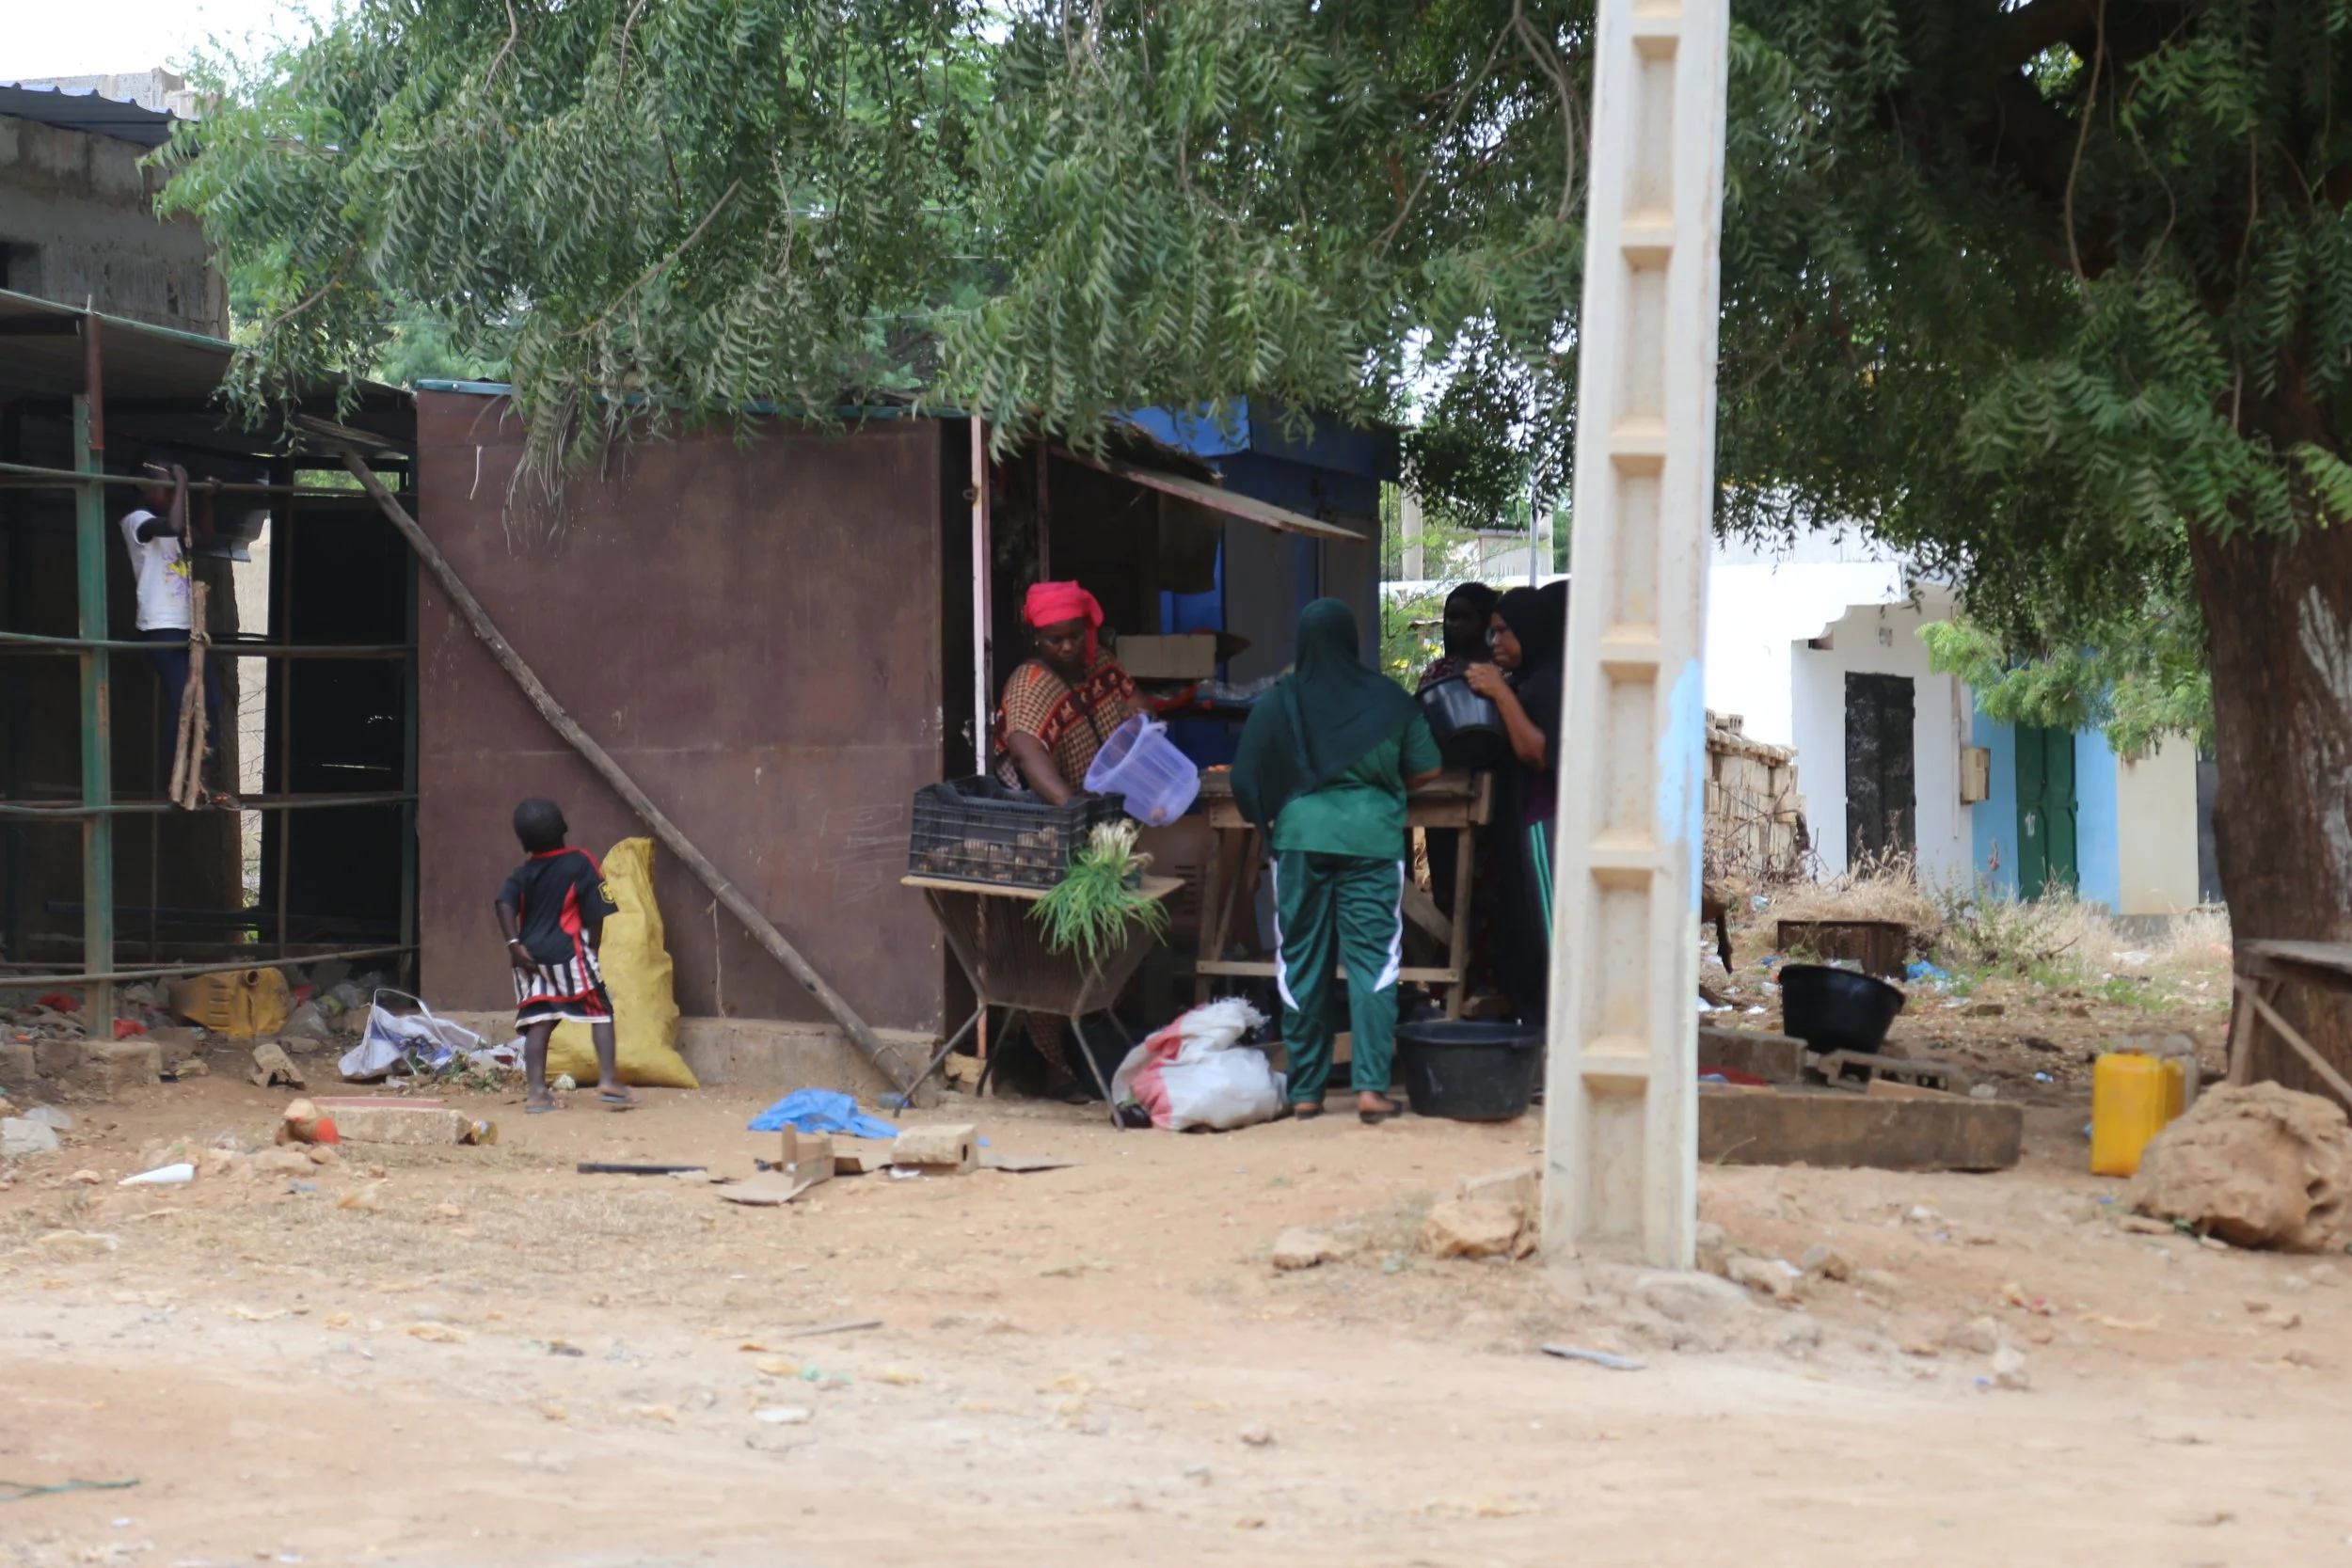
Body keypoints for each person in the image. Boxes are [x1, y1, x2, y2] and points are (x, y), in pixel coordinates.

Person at [1233, 598, 1443, 1123]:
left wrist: (1272, 815)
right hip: (1372, 842)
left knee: (1302, 961)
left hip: (1301, 841)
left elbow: (1245, 776)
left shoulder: (1280, 703)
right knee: (1375, 964)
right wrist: (1381, 787)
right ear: (1353, 642)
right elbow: (1427, 769)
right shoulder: (1390, 702)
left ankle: (1307, 1091)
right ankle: (1372, 1089)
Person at [1465, 580, 1566, 1021]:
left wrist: (1501, 694)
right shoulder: (1529, 681)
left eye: (1505, 631)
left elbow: (1538, 752)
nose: (1495, 642)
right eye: (1492, 632)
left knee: (1551, 938)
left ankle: (1557, 1036)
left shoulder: (1547, 684)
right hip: (1525, 826)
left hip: (1545, 826)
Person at [494, 797, 636, 1114]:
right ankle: (610, 1080)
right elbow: (596, 911)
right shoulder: (581, 861)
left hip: (529, 957)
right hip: (569, 955)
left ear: (523, 842)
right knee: (600, 1010)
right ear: (565, 828)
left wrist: (514, 944)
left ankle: (536, 1094)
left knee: (540, 1021)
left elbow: (503, 902)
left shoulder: (524, 872)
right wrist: (594, 948)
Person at [119, 462, 231, 804]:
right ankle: (177, 778)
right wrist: (183, 481)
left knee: (209, 700)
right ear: (145, 489)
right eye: (165, 489)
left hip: (187, 625)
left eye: (172, 491)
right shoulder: (137, 521)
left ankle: (202, 779)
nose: (170, 496)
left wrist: (206, 499)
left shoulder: (171, 527)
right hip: (159, 627)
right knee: (183, 702)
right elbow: (172, 524)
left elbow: (204, 536)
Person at [994, 579, 1146, 803]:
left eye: (1074, 637)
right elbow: (1025, 753)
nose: (1067, 647)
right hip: (1058, 817)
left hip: (1113, 801)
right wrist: (1073, 807)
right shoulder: (1029, 686)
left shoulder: (1100, 661)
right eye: (1055, 640)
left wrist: (1137, 714)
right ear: (1037, 637)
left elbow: (1135, 698)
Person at [1415, 581, 1501, 691]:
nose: (1456, 624)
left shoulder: (1503, 672)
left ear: (1486, 620)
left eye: (1465, 617)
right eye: (1452, 617)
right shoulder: (1436, 671)